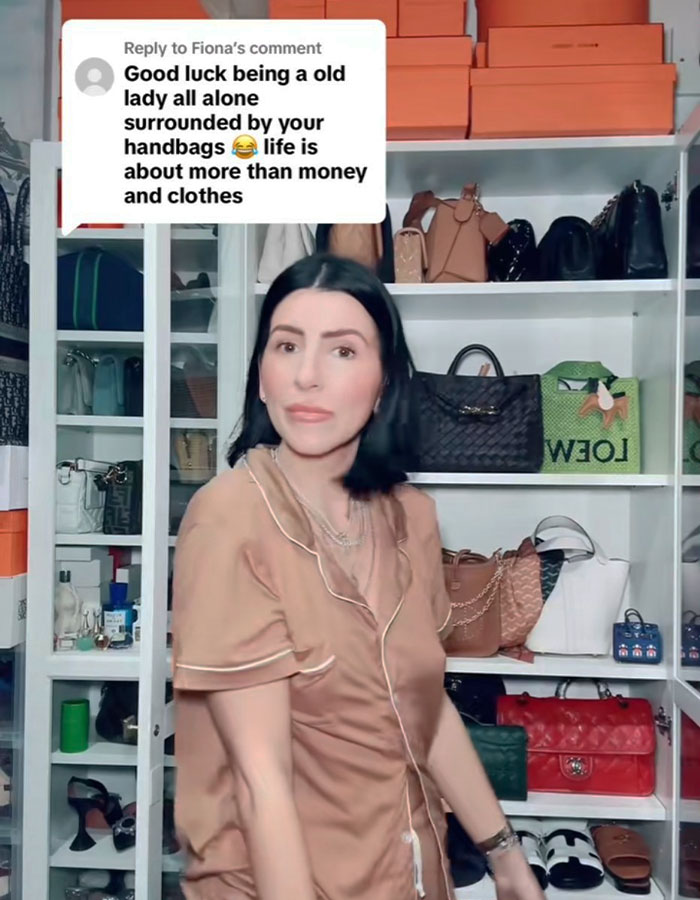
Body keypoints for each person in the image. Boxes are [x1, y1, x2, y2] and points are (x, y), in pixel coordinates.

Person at [171, 253, 545, 900]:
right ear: (261, 376)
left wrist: (506, 857)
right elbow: (263, 784)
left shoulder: (411, 518)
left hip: (413, 871)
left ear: (383, 385)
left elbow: (424, 711)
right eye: (287, 346)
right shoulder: (230, 521)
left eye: (343, 351)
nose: (307, 376)